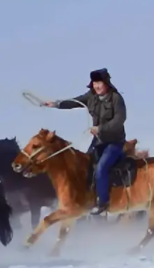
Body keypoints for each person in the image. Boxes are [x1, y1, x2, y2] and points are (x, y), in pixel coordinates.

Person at [43, 68, 127, 215]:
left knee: (101, 169)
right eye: (95, 83)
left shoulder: (116, 98)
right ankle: (87, 198)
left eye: (99, 82)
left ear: (106, 83)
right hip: (99, 142)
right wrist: (56, 104)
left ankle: (103, 203)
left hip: (114, 142)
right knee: (85, 165)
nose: (97, 86)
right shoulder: (91, 97)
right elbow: (74, 102)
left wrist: (100, 129)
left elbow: (119, 120)